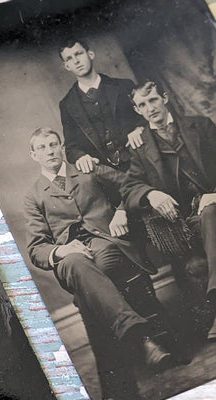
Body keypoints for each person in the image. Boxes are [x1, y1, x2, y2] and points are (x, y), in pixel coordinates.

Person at [24, 128, 172, 399]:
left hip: (105, 243)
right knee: (79, 266)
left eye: (53, 144)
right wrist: (62, 250)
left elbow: (129, 183)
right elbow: (36, 249)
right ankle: (142, 338)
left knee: (89, 290)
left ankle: (118, 388)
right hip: (69, 257)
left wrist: (121, 210)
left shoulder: (87, 168)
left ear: (62, 146)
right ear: (34, 155)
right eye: (42, 148)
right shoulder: (33, 196)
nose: (50, 151)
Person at [121, 81, 216, 340]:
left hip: (213, 205)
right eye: (142, 105)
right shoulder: (139, 146)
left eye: (152, 100)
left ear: (164, 98)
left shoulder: (201, 125)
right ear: (137, 110)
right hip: (185, 222)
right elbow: (129, 188)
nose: (150, 108)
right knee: (207, 216)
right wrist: (151, 194)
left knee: (211, 212)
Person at [58, 38, 146, 173]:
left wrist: (140, 129)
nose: (76, 61)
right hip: (106, 173)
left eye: (79, 54)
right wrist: (81, 157)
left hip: (140, 160)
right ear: (67, 66)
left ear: (91, 54)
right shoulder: (67, 104)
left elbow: (147, 116)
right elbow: (71, 147)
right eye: (69, 59)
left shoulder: (123, 86)